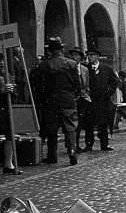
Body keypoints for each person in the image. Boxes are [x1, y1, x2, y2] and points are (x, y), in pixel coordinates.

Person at [37, 37, 81, 165]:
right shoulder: (72, 64)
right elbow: (77, 84)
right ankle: (72, 151)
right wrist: (74, 95)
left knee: (52, 128)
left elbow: (41, 86)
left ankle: (52, 155)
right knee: (70, 127)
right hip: (68, 100)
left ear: (49, 50)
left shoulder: (44, 65)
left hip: (50, 101)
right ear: (62, 49)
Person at [84, 49, 118, 152]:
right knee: (89, 123)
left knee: (103, 123)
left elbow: (115, 81)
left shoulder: (106, 69)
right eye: (88, 55)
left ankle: (104, 144)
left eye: (92, 55)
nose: (90, 57)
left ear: (97, 56)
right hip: (90, 101)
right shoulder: (86, 69)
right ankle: (89, 144)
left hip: (103, 101)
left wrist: (109, 92)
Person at [0, 54, 21, 174]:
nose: (2, 63)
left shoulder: (7, 75)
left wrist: (12, 90)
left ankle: (8, 164)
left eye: (2, 61)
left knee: (9, 135)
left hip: (5, 108)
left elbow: (16, 94)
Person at [68, 47, 91, 153]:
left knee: (81, 122)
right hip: (73, 98)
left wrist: (86, 93)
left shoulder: (84, 69)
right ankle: (73, 145)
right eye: (72, 55)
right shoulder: (68, 68)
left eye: (76, 55)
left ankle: (78, 144)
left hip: (84, 98)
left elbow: (87, 83)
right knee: (73, 123)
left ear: (80, 58)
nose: (74, 57)